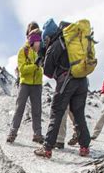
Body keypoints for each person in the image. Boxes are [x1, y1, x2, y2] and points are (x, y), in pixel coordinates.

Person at [34, 18, 91, 158]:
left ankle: (47, 148)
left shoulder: (55, 45)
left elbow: (47, 71)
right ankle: (84, 147)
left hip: (66, 82)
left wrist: (42, 58)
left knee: (56, 112)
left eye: (45, 39)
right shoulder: (70, 39)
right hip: (82, 80)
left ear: (48, 36)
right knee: (78, 114)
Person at [7, 23, 43, 144]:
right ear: (28, 35)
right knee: (19, 108)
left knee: (37, 110)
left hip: (37, 84)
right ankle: (12, 132)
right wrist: (35, 66)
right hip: (25, 83)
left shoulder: (40, 50)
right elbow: (22, 69)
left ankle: (37, 134)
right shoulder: (23, 51)